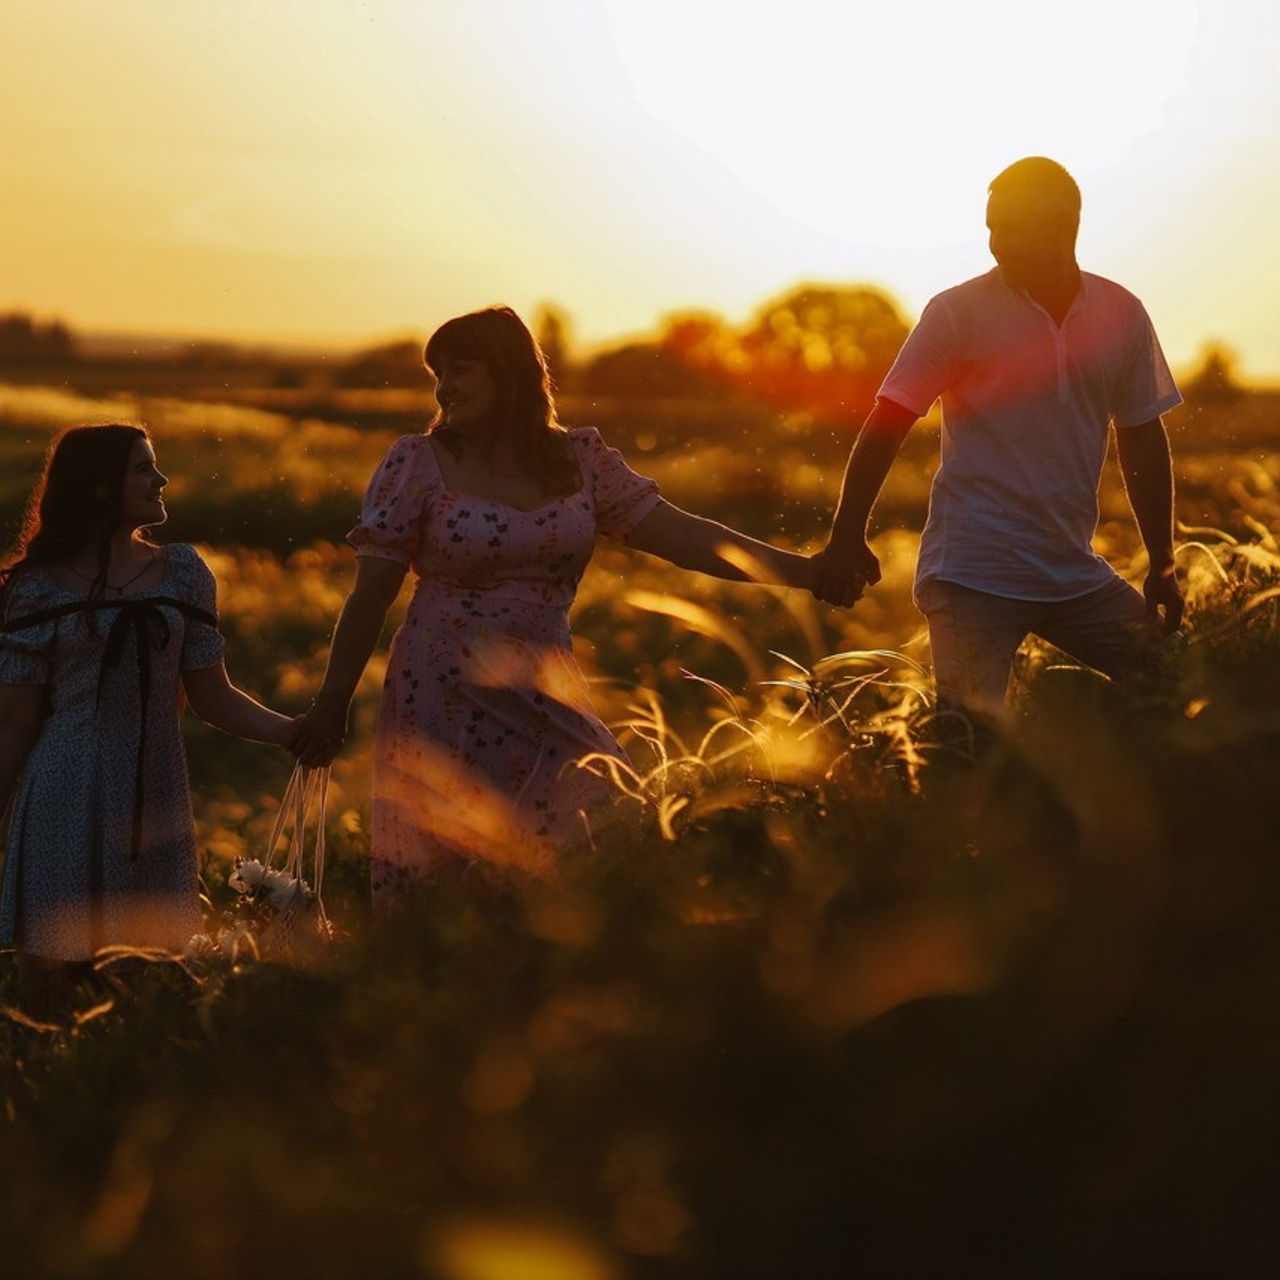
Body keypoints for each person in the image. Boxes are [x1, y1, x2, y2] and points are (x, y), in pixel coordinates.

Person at [291, 305, 811, 899]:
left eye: (460, 370)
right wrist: (329, 706)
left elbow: (685, 537)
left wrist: (806, 572)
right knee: (449, 877)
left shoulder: (581, 460)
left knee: (610, 828)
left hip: (545, 688)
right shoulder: (418, 463)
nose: (444, 388)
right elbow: (370, 597)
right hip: (442, 697)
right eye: (437, 374)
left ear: (509, 374)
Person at [812, 156, 1184, 717]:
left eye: (1012, 227)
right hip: (972, 572)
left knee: (1177, 682)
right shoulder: (957, 313)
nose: (996, 243)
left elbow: (1143, 438)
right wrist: (846, 536)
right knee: (967, 741)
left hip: (1071, 570)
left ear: (1063, 224)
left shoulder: (1121, 313)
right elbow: (888, 421)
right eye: (991, 227)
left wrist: (1162, 563)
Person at [0, 424, 297, 991]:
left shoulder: (184, 572)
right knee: (51, 978)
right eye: (144, 469)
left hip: (153, 799)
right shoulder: (38, 587)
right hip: (65, 795)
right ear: (100, 487)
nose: (161, 480)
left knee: (150, 976)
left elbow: (213, 696)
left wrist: (294, 733)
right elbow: (13, 720)